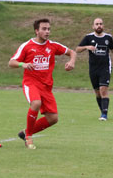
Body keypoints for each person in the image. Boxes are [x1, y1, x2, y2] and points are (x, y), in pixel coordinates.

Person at [8, 18, 76, 149]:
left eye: (49, 29)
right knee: (36, 103)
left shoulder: (52, 46)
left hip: (46, 87)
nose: (47, 32)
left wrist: (72, 62)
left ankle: (25, 133)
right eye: (44, 29)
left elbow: (72, 52)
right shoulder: (27, 46)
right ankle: (29, 138)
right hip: (31, 83)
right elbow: (11, 62)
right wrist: (24, 64)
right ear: (36, 31)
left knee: (53, 118)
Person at [76, 18, 113, 121]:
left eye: (101, 24)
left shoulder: (108, 37)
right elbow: (77, 49)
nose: (99, 26)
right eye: (97, 24)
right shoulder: (88, 37)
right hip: (93, 68)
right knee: (97, 92)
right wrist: (87, 47)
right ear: (93, 26)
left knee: (103, 90)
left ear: (103, 26)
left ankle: (104, 114)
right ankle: (102, 111)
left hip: (105, 67)